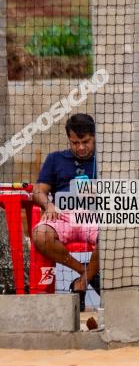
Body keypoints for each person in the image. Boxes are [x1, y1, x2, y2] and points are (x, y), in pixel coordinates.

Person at [31, 114, 100, 304]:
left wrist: (100, 194)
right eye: (75, 142)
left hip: (94, 216)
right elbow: (38, 191)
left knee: (113, 237)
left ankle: (81, 283)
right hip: (62, 215)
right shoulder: (55, 158)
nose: (80, 147)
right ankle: (85, 271)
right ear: (68, 139)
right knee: (40, 235)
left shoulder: (107, 159)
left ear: (95, 137)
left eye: (85, 141)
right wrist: (47, 204)